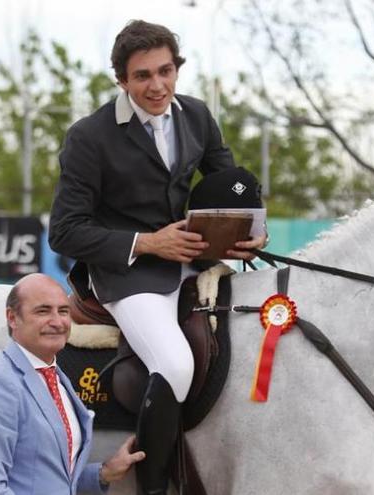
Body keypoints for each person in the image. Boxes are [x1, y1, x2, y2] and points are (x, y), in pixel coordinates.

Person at [48, 20, 265, 494]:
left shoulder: (198, 117)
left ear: (177, 69)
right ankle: (152, 488)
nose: (157, 85)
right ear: (122, 81)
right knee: (176, 363)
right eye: (143, 76)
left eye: (165, 71)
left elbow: (229, 186)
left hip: (193, 262)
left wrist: (250, 231)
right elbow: (63, 231)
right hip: (128, 273)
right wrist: (147, 243)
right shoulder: (89, 136)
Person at [0, 273, 145, 494]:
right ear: (12, 318)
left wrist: (103, 473)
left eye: (63, 311)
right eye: (43, 311)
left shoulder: (57, 378)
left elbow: (50, 480)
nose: (57, 322)